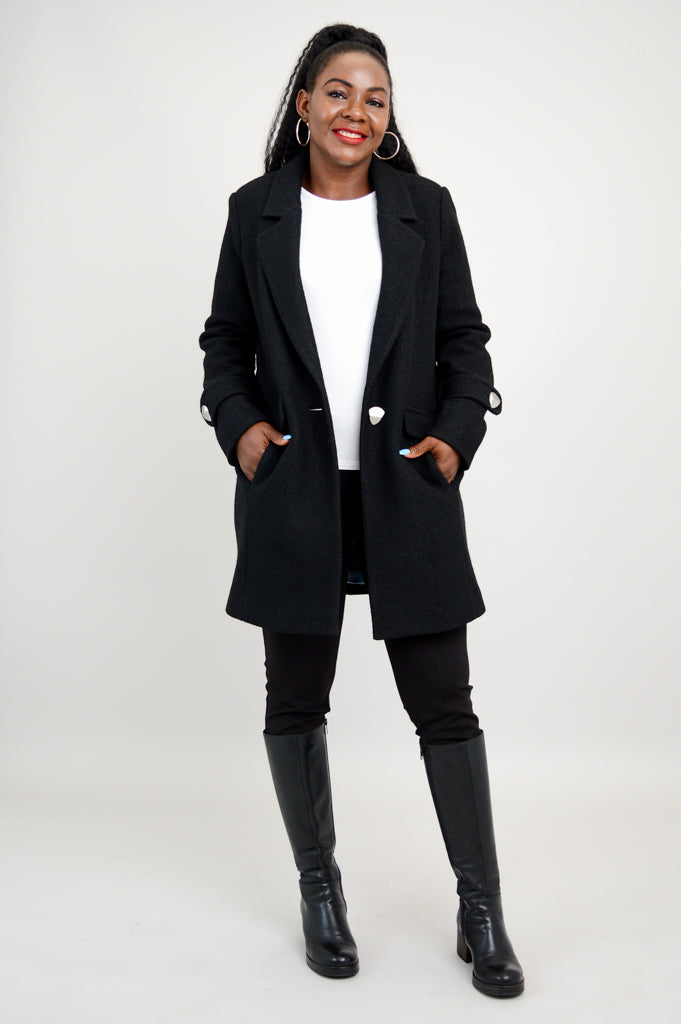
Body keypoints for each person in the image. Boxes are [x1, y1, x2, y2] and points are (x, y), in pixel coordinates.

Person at [198, 23, 524, 998]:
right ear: (304, 105)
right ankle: (320, 890)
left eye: (375, 97)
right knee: (295, 698)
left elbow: (465, 340)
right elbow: (223, 342)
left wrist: (456, 438)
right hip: (294, 488)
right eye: (338, 91)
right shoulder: (254, 210)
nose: (356, 110)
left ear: (389, 119)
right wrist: (241, 430)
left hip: (405, 485)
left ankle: (481, 909)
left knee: (444, 701)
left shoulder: (427, 209)